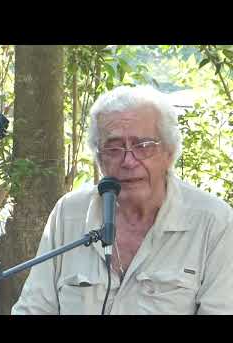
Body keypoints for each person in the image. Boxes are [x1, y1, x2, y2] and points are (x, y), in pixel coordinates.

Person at [12, 85, 233, 315]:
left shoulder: (215, 222)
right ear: (99, 158)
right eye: (114, 148)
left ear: (169, 153)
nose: (128, 161)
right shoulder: (69, 213)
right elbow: (33, 308)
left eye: (144, 146)